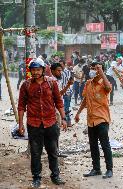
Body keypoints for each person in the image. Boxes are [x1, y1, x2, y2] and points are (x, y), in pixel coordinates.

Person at [18, 58, 67, 188]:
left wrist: (63, 118)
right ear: (30, 71)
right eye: (33, 70)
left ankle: (55, 176)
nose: (35, 72)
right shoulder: (26, 85)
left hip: (51, 123)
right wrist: (20, 124)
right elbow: (21, 106)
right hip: (33, 124)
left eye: (38, 69)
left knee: (53, 151)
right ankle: (36, 178)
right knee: (35, 153)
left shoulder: (52, 83)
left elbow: (59, 102)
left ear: (43, 70)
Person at [75, 62, 113, 179]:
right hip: (91, 120)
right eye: (91, 68)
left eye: (95, 69)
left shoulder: (104, 83)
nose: (92, 70)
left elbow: (109, 88)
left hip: (102, 119)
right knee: (93, 145)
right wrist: (78, 113)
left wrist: (101, 72)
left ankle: (109, 169)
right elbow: (85, 100)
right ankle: (96, 169)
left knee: (105, 145)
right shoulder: (88, 83)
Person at [59, 59, 73, 127]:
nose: (60, 66)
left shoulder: (67, 72)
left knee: (66, 108)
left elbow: (68, 81)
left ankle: (68, 122)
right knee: (62, 108)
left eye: (61, 65)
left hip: (67, 92)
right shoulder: (59, 72)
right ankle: (65, 121)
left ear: (64, 65)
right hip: (61, 92)